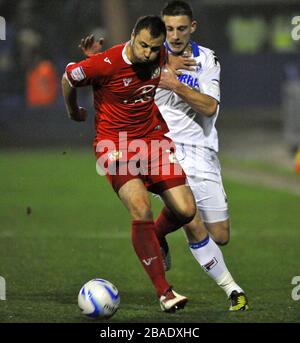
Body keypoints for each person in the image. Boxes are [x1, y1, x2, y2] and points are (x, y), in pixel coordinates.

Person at [79, 2, 249, 311]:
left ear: (192, 28)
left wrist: (174, 83)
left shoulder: (205, 60)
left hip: (201, 151)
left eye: (181, 28)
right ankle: (227, 292)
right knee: (183, 217)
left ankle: (155, 236)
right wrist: (97, 63)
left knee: (218, 233)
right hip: (158, 144)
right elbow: (118, 74)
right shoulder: (151, 57)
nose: (174, 34)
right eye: (168, 28)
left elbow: (210, 107)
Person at [63, 15, 200, 313]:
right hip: (114, 146)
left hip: (151, 139)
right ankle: (165, 293)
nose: (148, 53)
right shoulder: (105, 63)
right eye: (143, 46)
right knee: (140, 207)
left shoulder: (159, 54)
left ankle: (157, 236)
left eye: (154, 48)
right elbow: (69, 77)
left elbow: (165, 63)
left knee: (187, 210)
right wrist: (74, 111)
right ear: (132, 36)